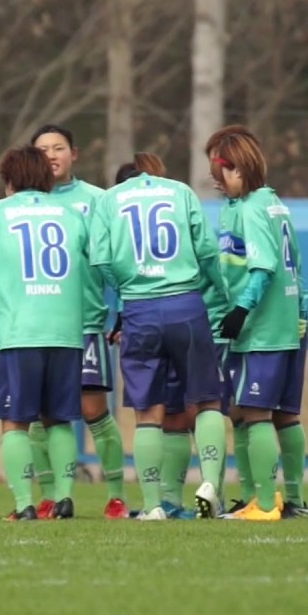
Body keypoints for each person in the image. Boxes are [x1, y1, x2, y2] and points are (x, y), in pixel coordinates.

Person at [0, 146, 90, 520]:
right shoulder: (71, 214)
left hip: (20, 332)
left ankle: (25, 503)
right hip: (65, 330)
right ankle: (63, 497)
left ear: (9, 181)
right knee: (59, 418)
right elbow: (101, 260)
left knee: (16, 421)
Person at [89, 149, 229, 521]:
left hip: (139, 308)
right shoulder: (181, 192)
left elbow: (100, 259)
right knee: (206, 401)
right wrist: (225, 295)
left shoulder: (109, 198)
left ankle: (153, 505)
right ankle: (211, 484)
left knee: (147, 413)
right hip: (186, 303)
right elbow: (206, 251)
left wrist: (126, 291)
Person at [205, 126, 308, 523]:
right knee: (277, 412)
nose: (220, 183)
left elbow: (263, 268)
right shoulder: (276, 205)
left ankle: (265, 504)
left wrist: (240, 311)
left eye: (222, 174)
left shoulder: (250, 208)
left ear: (238, 169)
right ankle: (281, 497)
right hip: (287, 322)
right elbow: (297, 265)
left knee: (254, 411)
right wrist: (301, 314)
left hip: (262, 327)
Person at [30, 124, 129, 520]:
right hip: (35, 325)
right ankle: (51, 497)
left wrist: (123, 307)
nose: (51, 155)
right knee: (40, 414)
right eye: (43, 149)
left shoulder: (98, 200)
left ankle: (117, 495)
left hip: (84, 322)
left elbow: (117, 261)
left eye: (59, 148)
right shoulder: (21, 202)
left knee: (93, 410)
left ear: (75, 154)